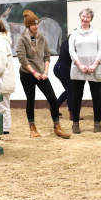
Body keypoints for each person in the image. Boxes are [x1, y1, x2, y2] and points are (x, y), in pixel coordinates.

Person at [16, 9, 70, 139]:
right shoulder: (22, 39)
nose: (36, 26)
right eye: (33, 24)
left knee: (52, 98)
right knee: (31, 100)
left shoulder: (42, 37)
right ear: (28, 26)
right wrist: (34, 72)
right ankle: (32, 128)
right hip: (27, 74)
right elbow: (22, 58)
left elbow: (47, 55)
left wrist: (45, 72)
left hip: (42, 73)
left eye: (37, 24)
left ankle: (57, 127)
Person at [69, 8, 101, 134]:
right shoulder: (74, 33)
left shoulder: (97, 32)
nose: (85, 18)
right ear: (80, 17)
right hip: (78, 69)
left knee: (96, 97)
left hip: (94, 68)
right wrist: (80, 65)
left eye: (88, 17)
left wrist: (94, 65)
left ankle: (97, 123)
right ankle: (75, 124)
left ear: (91, 19)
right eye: (83, 16)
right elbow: (71, 51)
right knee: (76, 97)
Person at [53, 34, 82, 121]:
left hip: (59, 68)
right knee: (71, 90)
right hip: (63, 69)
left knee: (69, 90)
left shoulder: (66, 42)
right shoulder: (71, 45)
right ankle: (72, 114)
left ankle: (55, 107)